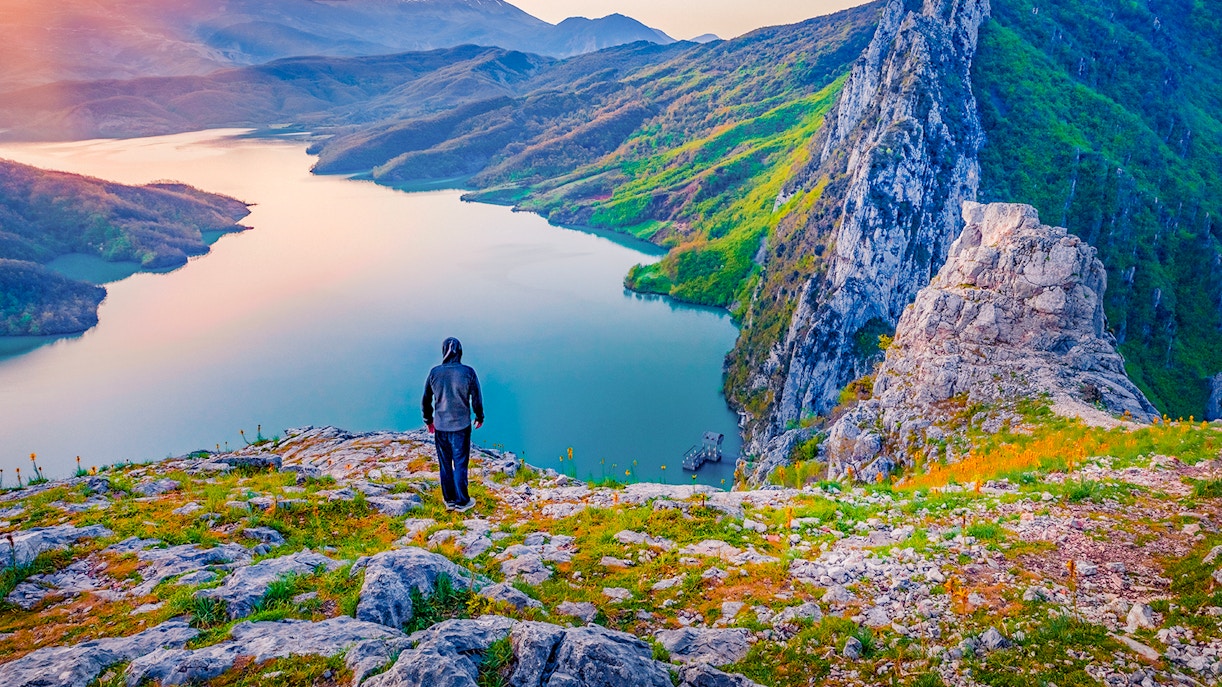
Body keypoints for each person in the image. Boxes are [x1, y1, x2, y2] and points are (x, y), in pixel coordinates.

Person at [422, 337, 484, 512]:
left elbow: (426, 399)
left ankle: (449, 500)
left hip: (441, 426)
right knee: (460, 463)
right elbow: (476, 398)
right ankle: (462, 501)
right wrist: (480, 416)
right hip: (461, 427)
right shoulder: (468, 372)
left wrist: (429, 421)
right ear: (460, 351)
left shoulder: (434, 373)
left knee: (445, 464)